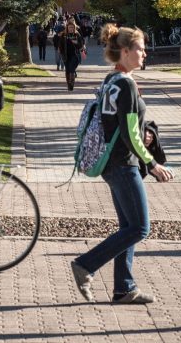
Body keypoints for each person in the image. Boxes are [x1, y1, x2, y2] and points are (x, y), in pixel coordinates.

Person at [70, 24, 174, 304]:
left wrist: (146, 134)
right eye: (140, 48)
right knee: (140, 227)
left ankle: (124, 288)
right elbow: (128, 132)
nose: (145, 54)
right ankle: (85, 265)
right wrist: (152, 164)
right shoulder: (125, 84)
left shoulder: (111, 80)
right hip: (123, 164)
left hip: (112, 163)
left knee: (128, 227)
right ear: (125, 51)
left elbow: (122, 125)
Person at [59, 19, 85, 91]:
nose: (71, 29)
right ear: (67, 27)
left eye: (72, 27)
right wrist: (61, 53)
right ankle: (68, 84)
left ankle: (72, 84)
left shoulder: (77, 35)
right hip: (66, 55)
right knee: (67, 70)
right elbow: (60, 45)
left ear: (74, 28)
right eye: (70, 27)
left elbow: (81, 45)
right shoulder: (64, 35)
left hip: (75, 55)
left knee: (72, 69)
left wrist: (76, 42)